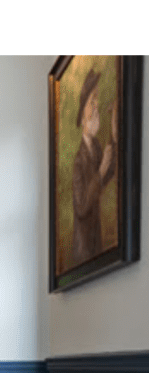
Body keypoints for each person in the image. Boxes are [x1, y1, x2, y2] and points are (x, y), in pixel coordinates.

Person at [71, 68, 118, 265]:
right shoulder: (78, 161)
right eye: (92, 102)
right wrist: (100, 172)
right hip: (84, 251)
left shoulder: (97, 148)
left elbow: (108, 173)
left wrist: (114, 136)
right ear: (83, 118)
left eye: (97, 101)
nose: (97, 106)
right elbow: (81, 207)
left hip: (96, 244)